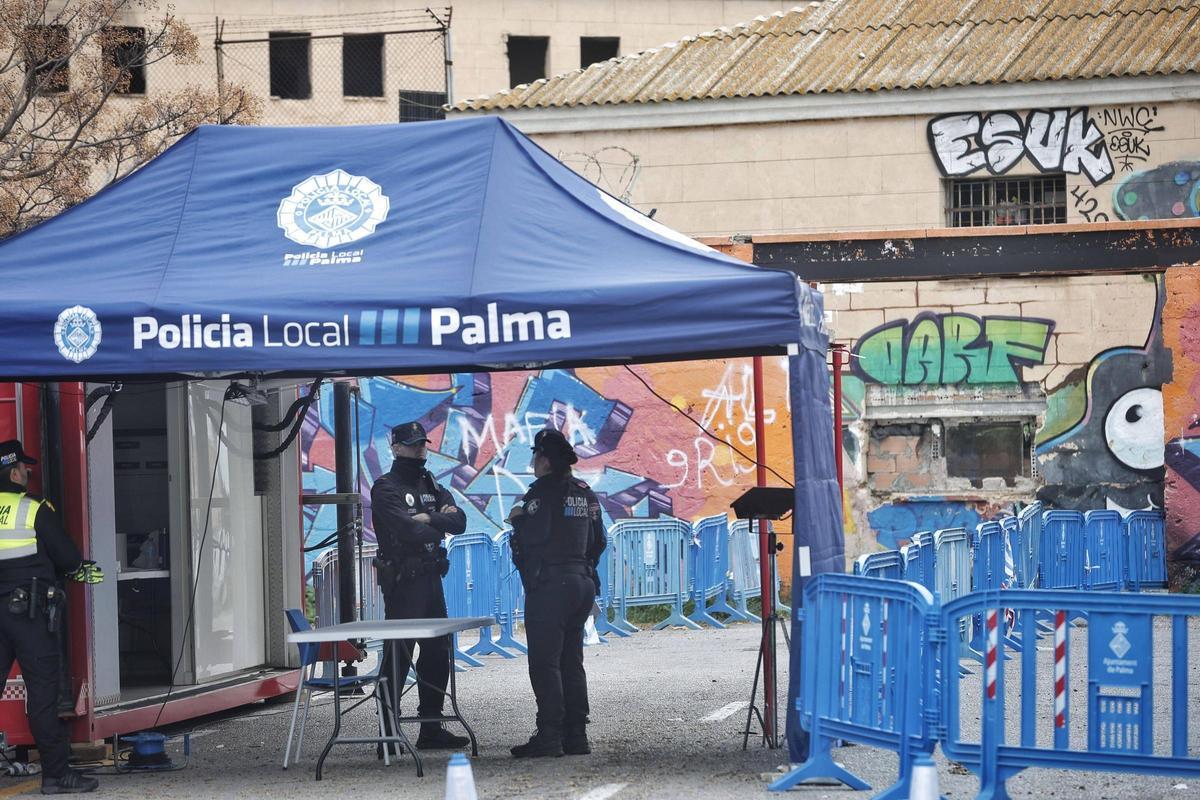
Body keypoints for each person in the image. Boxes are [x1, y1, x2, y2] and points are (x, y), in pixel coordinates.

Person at [0, 440, 103, 794]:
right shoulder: (33, 509)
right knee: (42, 694)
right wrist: (78, 570)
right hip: (27, 615)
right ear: (14, 472)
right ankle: (57, 776)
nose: (28, 472)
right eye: (24, 468)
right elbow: (69, 559)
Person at [507, 429, 607, 758]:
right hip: (581, 583)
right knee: (571, 660)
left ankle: (549, 734)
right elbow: (599, 541)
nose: (533, 462)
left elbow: (534, 538)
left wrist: (518, 520)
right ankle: (576, 735)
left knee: (545, 663)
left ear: (546, 461)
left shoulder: (542, 494)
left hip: (551, 586)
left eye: (536, 456)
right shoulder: (585, 492)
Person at [370, 421, 470, 750]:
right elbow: (406, 530)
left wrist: (430, 519)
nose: (420, 450)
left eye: (422, 444)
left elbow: (460, 521)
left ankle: (431, 726)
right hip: (403, 582)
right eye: (413, 445)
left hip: (431, 578)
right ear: (396, 448)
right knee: (399, 654)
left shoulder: (429, 483)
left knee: (438, 652)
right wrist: (435, 521)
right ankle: (388, 730)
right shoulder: (386, 487)